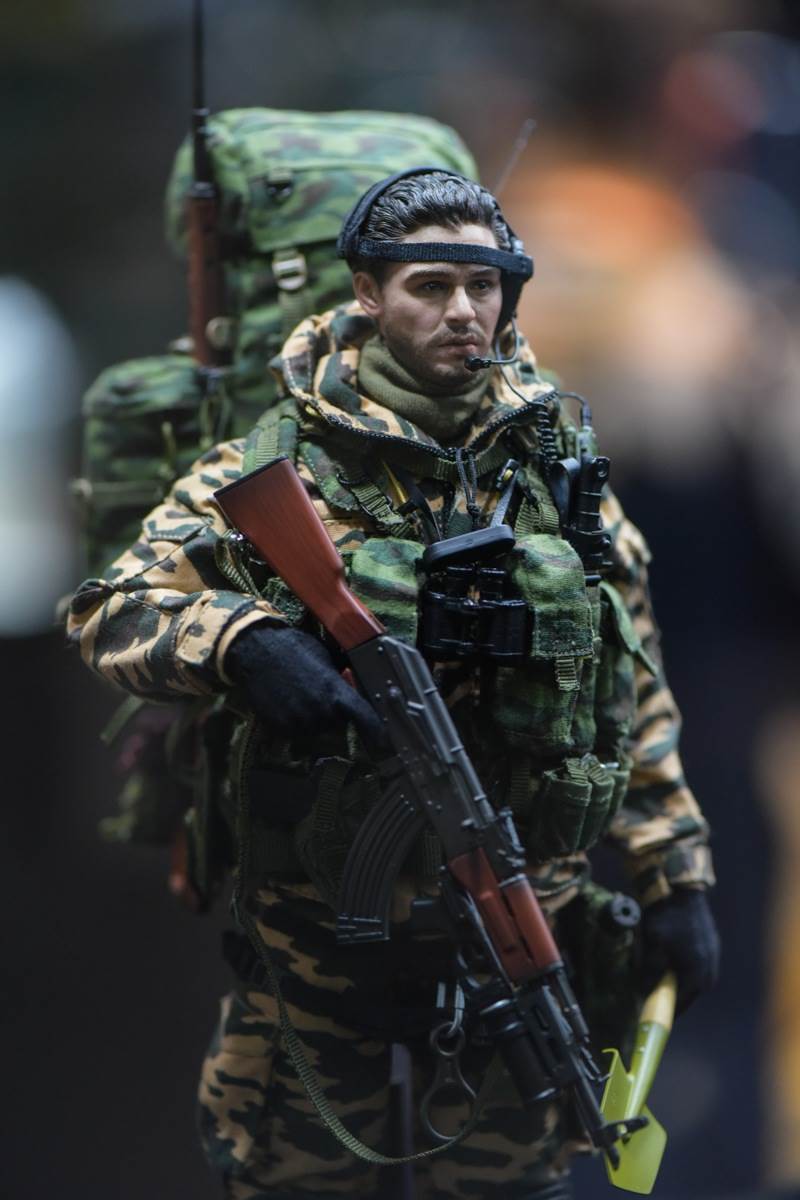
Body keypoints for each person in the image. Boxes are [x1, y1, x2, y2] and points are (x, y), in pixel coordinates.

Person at [67, 169, 719, 1200]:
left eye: (483, 284)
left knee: (512, 1179)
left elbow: (629, 686)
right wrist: (238, 639)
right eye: (429, 285)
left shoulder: (556, 473)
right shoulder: (278, 466)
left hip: (515, 912)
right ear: (367, 293)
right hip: (320, 937)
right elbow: (108, 610)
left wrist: (672, 873)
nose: (462, 310)